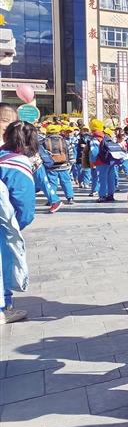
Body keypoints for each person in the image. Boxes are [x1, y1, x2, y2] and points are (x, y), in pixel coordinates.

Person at [0, 121, 37, 324]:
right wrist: (14, 228)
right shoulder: (18, 164)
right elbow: (25, 208)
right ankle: (3, 308)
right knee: (3, 263)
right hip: (3, 225)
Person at [41, 125, 74, 206]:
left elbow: (42, 154)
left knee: (52, 183)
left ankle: (52, 199)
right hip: (63, 165)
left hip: (51, 166)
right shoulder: (64, 141)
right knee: (66, 182)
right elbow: (70, 152)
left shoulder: (44, 142)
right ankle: (70, 197)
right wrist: (71, 162)